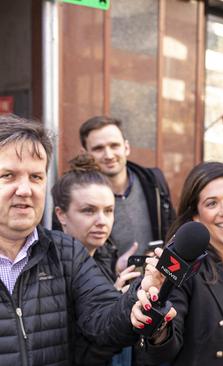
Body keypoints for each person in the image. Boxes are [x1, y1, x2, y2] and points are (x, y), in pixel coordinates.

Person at [0, 114, 156, 365]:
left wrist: (141, 294)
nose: (25, 190)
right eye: (8, 176)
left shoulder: (65, 252)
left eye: (36, 177)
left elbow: (105, 321)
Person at [131, 162, 223, 366]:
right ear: (195, 216)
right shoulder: (183, 269)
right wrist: (158, 319)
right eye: (212, 203)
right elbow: (162, 349)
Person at [52, 153, 143, 366]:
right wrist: (115, 306)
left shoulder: (103, 259)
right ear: (61, 215)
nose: (102, 221)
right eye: (88, 210)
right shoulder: (51, 269)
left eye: (108, 211)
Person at [79, 116, 175, 257]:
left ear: (126, 147)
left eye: (114, 146)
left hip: (159, 275)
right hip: (107, 278)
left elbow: (172, 228)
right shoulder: (77, 196)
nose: (109, 155)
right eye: (98, 148)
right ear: (85, 154)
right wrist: (113, 269)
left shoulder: (154, 181)